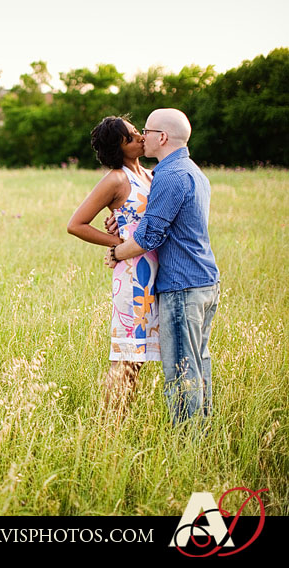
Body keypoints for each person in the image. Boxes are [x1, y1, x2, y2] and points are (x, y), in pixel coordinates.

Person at [106, 108, 219, 427]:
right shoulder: (193, 171)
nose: (143, 136)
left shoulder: (169, 176)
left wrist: (116, 252)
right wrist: (123, 219)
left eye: (147, 130)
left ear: (162, 137)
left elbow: (149, 237)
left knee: (181, 370)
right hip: (205, 282)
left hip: (183, 286)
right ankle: (203, 434)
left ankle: (188, 444)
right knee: (199, 365)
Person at [67, 116, 161, 420]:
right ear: (120, 147)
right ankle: (109, 424)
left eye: (138, 133)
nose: (141, 138)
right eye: (132, 137)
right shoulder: (116, 179)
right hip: (133, 273)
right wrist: (116, 239)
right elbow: (76, 225)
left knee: (141, 356)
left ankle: (120, 418)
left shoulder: (152, 174)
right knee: (127, 356)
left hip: (160, 272)